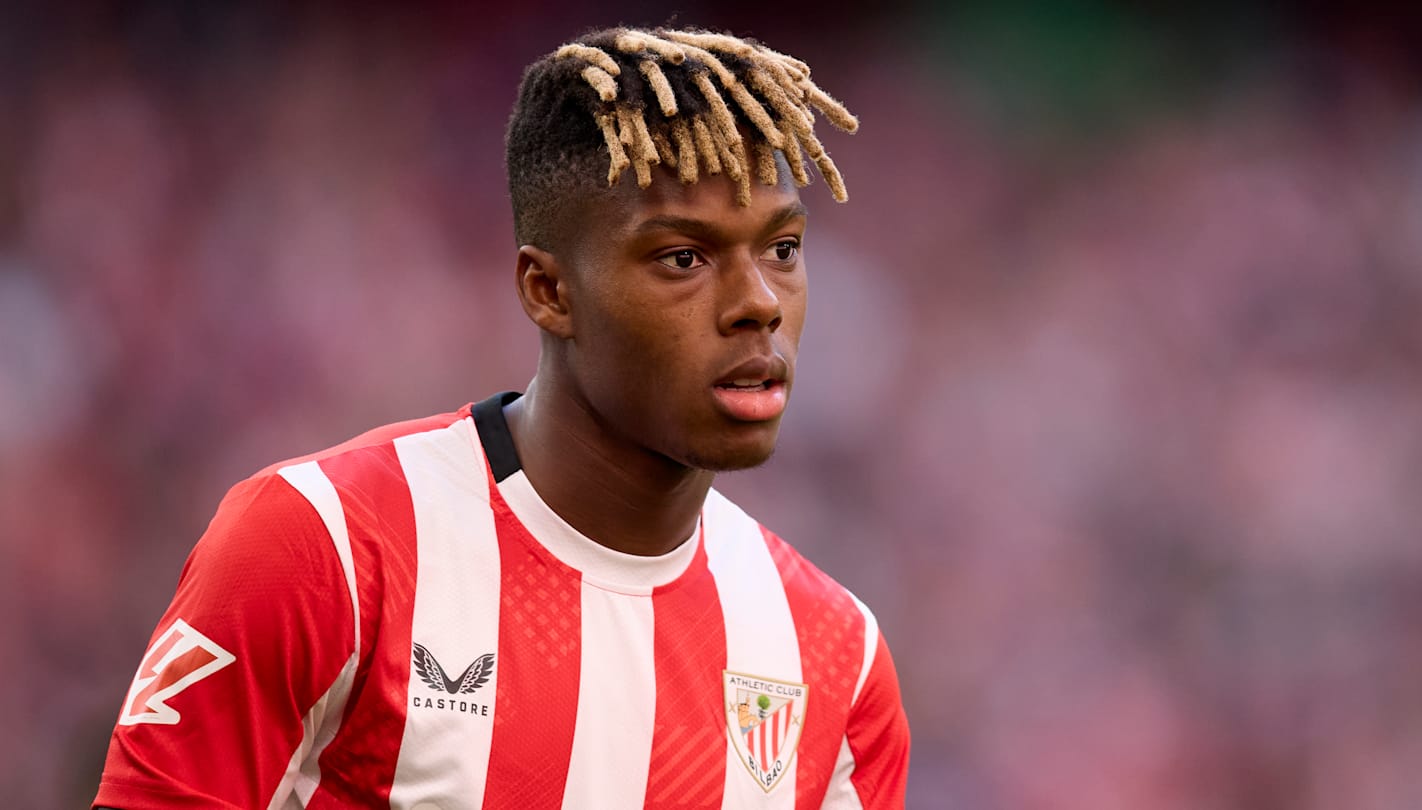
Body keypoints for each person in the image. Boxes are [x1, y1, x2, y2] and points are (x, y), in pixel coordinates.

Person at [94, 25, 910, 809]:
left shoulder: (834, 657)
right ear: (549, 292)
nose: (760, 303)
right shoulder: (324, 549)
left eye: (782, 250)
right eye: (683, 258)